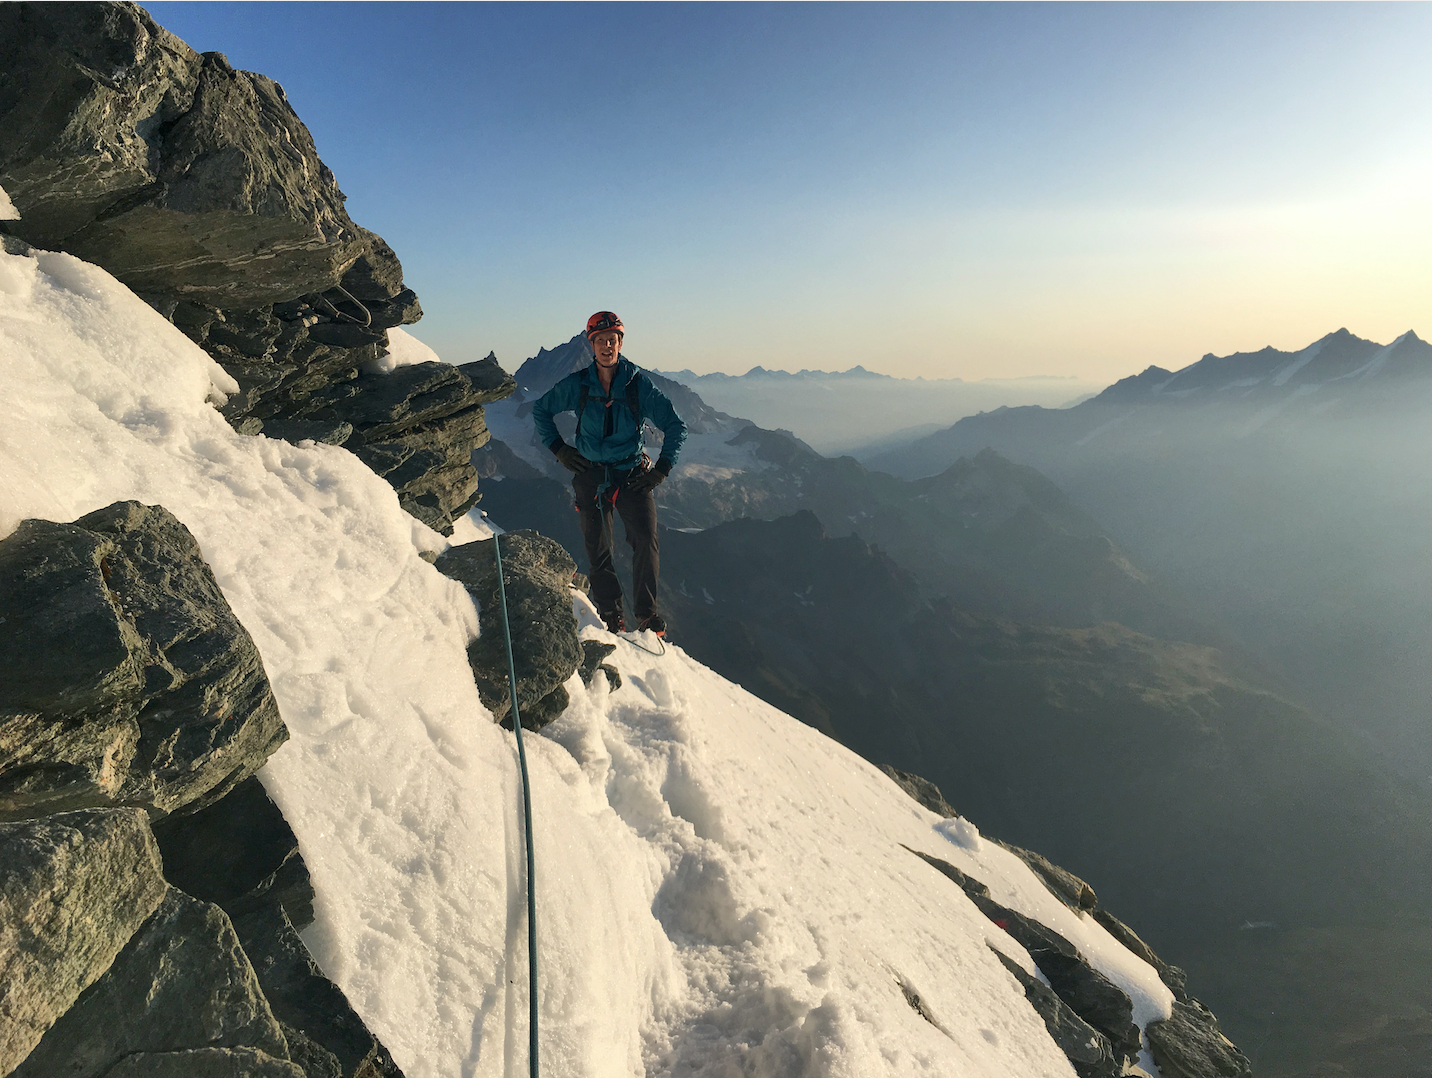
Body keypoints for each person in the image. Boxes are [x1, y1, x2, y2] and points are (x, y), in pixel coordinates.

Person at [532, 311, 687, 636]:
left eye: (612, 340)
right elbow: (541, 409)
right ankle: (611, 615)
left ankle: (646, 616)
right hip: (590, 475)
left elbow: (675, 425)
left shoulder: (637, 385)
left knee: (645, 539)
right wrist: (559, 449)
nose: (606, 346)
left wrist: (662, 468)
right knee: (598, 549)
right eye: (600, 340)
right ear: (592, 345)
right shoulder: (579, 385)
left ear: (620, 343)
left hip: (632, 475)